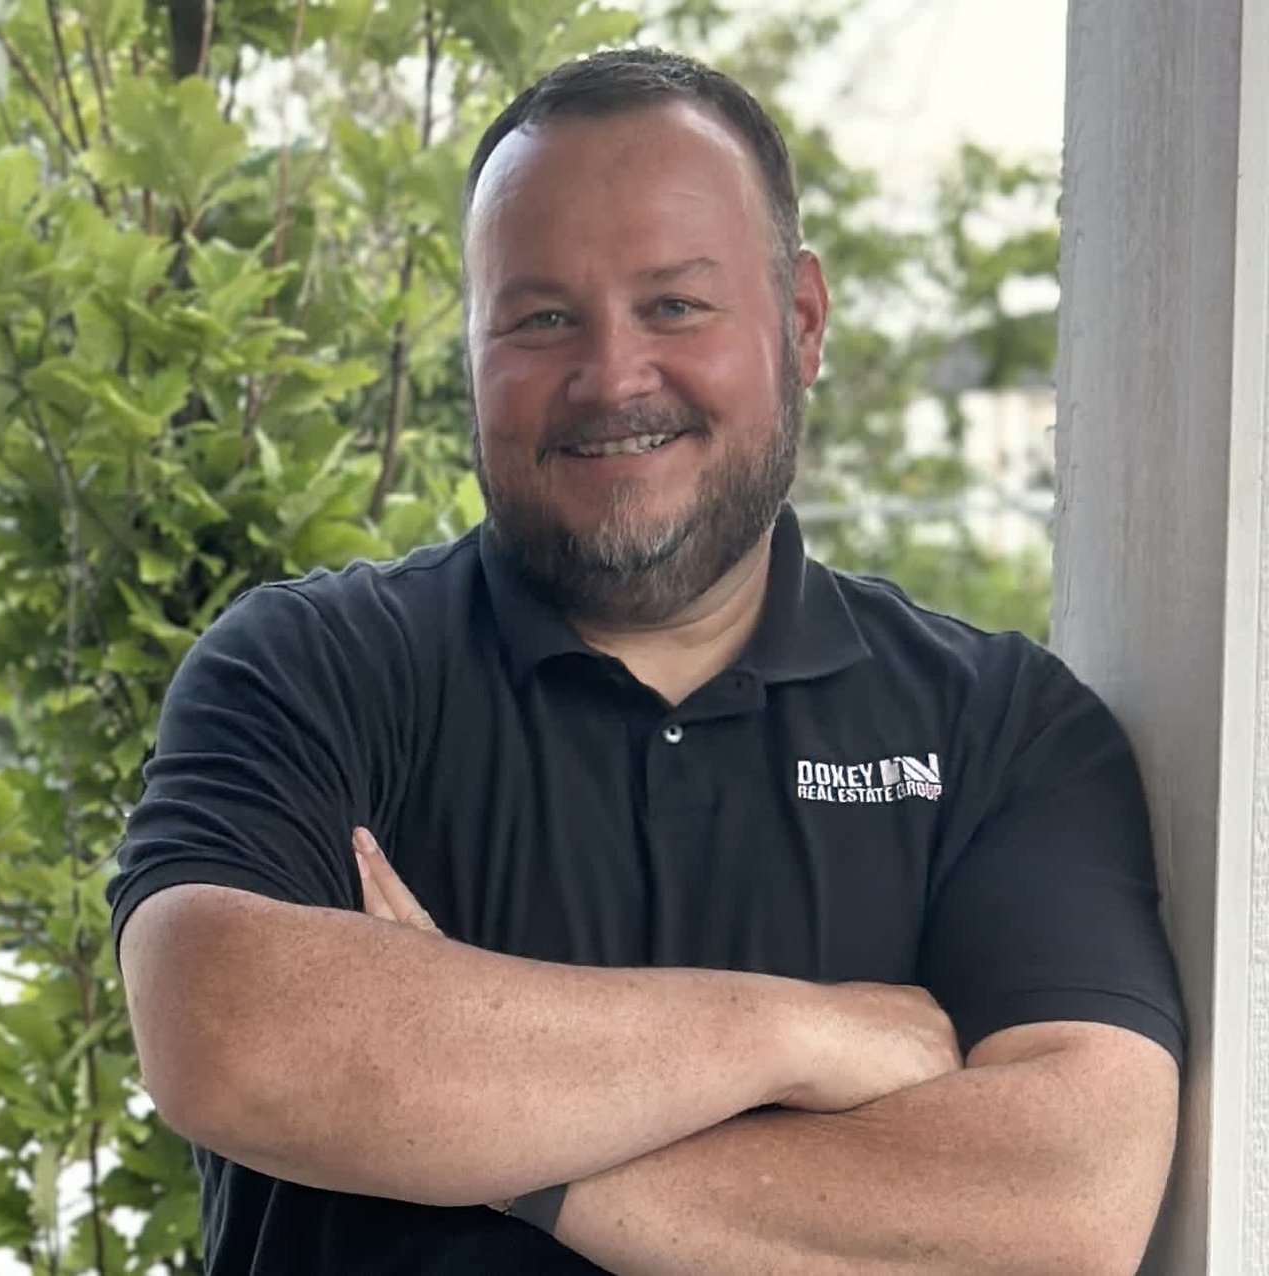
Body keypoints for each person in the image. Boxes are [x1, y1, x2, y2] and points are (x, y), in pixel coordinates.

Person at [108, 47, 1183, 1276]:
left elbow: (1060, 1205)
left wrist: (453, 1107)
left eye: (674, 304)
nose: (612, 377)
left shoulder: (1003, 731)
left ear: (801, 322)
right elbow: (232, 1035)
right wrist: (797, 1033)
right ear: (471, 347)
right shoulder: (311, 670)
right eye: (541, 317)